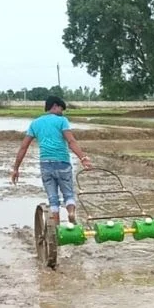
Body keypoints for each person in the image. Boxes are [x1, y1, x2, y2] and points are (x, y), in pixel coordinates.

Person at [11, 95, 93, 225]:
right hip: (62, 162)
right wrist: (83, 158)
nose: (62, 113)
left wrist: (16, 168)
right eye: (61, 109)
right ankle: (71, 213)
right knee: (68, 194)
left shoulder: (35, 123)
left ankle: (56, 228)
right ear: (55, 106)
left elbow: (23, 147)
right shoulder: (62, 121)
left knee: (53, 198)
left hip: (45, 164)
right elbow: (71, 141)